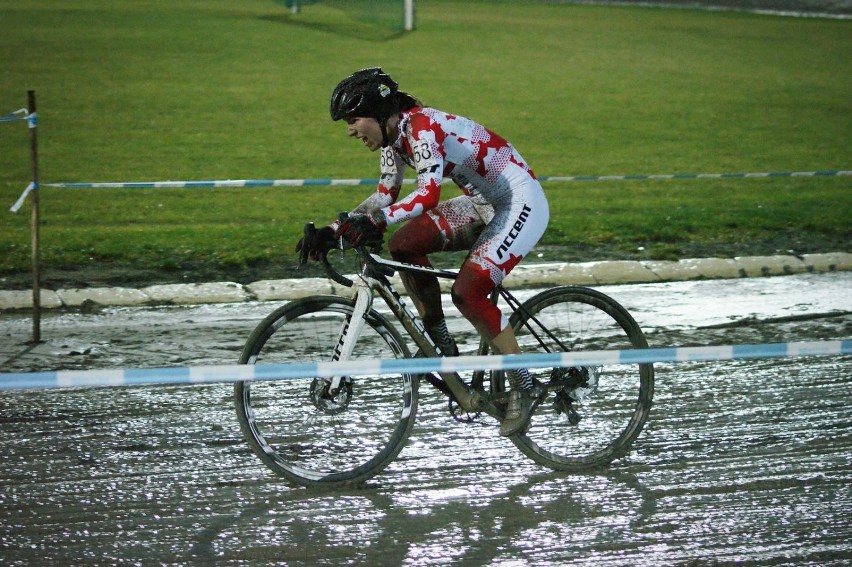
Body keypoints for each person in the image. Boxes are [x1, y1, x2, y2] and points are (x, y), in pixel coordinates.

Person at [300, 67, 549, 436]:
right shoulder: (392, 139)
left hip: (519, 202)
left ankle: (524, 385)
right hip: (483, 202)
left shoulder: (421, 128)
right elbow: (386, 195)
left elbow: (428, 195)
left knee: (469, 292)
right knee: (404, 244)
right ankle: (441, 344)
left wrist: (377, 222)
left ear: (380, 114)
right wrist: (334, 229)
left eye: (354, 120)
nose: (351, 130)